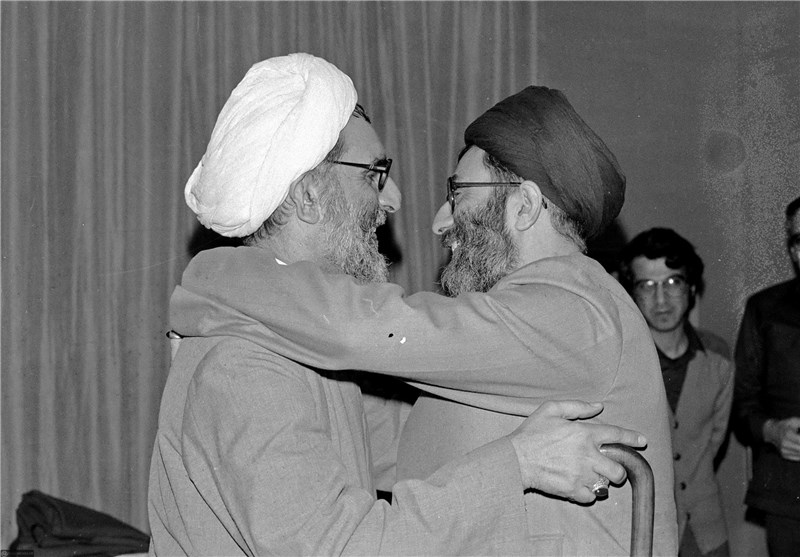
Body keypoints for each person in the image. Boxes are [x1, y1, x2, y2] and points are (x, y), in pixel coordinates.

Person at [148, 53, 648, 556]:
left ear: (526, 206)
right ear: (309, 197)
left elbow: (398, 406)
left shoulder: (578, 311)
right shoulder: (249, 362)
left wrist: (217, 281)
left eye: (459, 192)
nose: (399, 202)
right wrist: (516, 464)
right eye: (374, 174)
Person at [618, 228, 733, 557]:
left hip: (706, 532)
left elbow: (713, 442)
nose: (661, 299)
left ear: (691, 287)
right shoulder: (620, 361)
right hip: (642, 530)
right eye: (647, 285)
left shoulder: (718, 358)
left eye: (672, 282)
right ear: (632, 293)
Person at [733, 195, 800, 556]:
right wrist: (772, 431)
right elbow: (742, 406)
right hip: (788, 496)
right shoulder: (765, 310)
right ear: (793, 250)